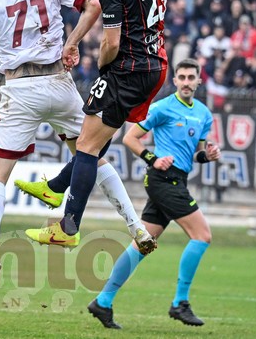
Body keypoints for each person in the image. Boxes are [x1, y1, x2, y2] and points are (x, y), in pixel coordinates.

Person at [0, 0, 154, 282]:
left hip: (20, 86)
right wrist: (72, 42)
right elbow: (93, 3)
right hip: (57, 81)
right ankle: (137, 227)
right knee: (90, 155)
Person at [24, 0, 169, 246]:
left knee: (87, 146)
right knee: (96, 139)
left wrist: (104, 66)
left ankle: (67, 228)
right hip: (156, 64)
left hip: (127, 69)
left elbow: (111, 43)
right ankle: (55, 188)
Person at [84, 59, 220, 329]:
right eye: (181, 77)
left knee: (143, 243)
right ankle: (180, 303)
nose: (186, 82)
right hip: (163, 179)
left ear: (198, 81)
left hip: (178, 179)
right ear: (175, 80)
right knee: (202, 235)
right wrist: (153, 159)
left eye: (191, 78)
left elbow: (197, 154)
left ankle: (103, 302)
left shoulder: (204, 114)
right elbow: (130, 138)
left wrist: (208, 156)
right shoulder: (162, 107)